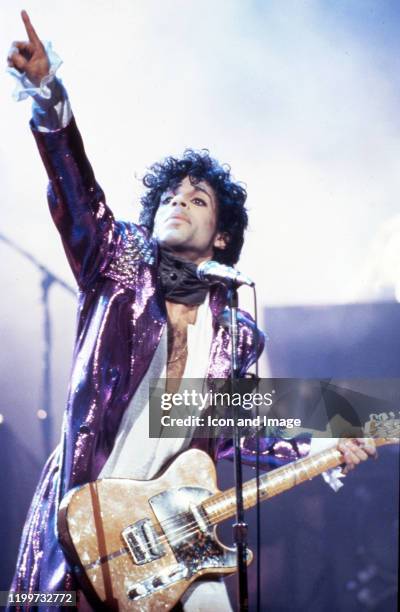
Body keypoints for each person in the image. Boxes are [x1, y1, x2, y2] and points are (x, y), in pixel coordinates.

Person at [7, 11, 377, 612]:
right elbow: (75, 188)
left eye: (197, 198)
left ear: (222, 236)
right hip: (90, 511)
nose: (179, 200)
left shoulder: (234, 331)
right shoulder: (119, 264)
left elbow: (238, 435)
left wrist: (333, 443)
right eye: (171, 195)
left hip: (173, 530)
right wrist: (49, 96)